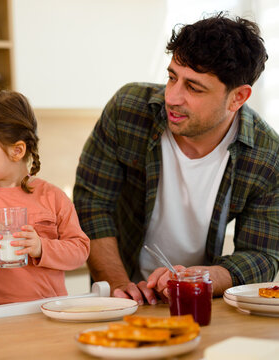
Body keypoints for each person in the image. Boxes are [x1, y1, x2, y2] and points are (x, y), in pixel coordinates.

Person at [73, 13, 278, 305]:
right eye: (172, 77)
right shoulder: (128, 111)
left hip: (199, 301)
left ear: (238, 97)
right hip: (120, 296)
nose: (173, 97)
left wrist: (200, 279)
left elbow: (263, 256)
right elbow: (92, 204)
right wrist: (118, 285)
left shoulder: (267, 157)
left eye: (194, 88)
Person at [0, 91, 90, 306]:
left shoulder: (53, 197)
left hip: (47, 309)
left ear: (17, 150)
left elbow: (80, 250)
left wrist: (42, 247)